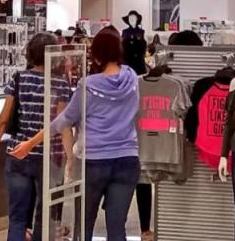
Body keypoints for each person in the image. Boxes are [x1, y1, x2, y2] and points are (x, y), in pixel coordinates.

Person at [11, 31, 140, 241]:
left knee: (84, 226)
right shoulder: (132, 78)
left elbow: (63, 121)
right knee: (117, 228)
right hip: (128, 160)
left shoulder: (87, 85)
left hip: (93, 162)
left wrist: (30, 142)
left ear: (96, 56)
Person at [0, 33, 72, 241]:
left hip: (18, 152)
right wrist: (71, 157)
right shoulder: (61, 83)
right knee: (45, 218)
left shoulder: (19, 78)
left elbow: (4, 118)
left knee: (17, 218)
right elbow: (61, 125)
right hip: (50, 157)